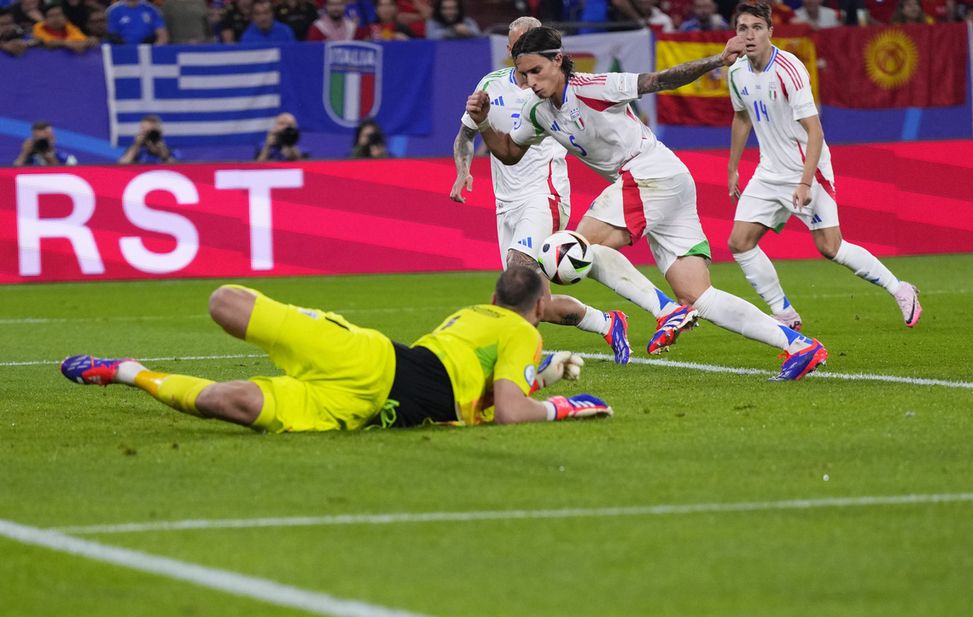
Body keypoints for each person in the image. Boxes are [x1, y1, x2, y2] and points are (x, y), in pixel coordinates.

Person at [467, 26, 829, 380]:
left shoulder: (594, 87)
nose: (530, 81)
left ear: (558, 60)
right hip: (666, 181)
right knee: (700, 296)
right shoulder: (537, 110)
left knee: (570, 249)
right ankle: (800, 346)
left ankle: (665, 311)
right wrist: (483, 123)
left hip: (649, 172)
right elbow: (510, 153)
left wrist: (716, 60)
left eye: (537, 71)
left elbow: (660, 80)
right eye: (524, 73)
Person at [59, 268, 613, 431]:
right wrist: (562, 404)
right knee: (228, 335)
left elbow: (475, 389)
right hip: (375, 370)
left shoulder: (473, 315)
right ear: (541, 307)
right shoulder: (524, 331)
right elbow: (508, 412)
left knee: (229, 399)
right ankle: (132, 374)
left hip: (368, 403)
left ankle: (126, 371)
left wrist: (538, 376)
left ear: (494, 295)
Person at [725, 2, 921, 333]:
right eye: (743, 28)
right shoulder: (736, 72)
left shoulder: (790, 69)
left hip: (806, 171)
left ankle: (900, 288)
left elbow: (815, 131)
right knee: (739, 242)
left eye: (757, 27)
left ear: (771, 31)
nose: (750, 35)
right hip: (768, 171)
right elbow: (741, 117)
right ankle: (784, 313)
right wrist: (732, 168)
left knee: (831, 247)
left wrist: (803, 183)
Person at [451, 16, 631, 365]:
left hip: (543, 196)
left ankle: (515, 364)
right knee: (539, 303)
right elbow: (466, 133)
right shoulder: (490, 85)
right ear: (509, 50)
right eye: (520, 46)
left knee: (515, 279)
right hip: (505, 205)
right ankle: (608, 322)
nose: (526, 52)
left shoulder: (553, 87)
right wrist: (463, 171)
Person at [13, 120, 77, 166]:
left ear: (53, 138)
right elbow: (15, 172)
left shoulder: (67, 159)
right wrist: (24, 153)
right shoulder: (30, 159)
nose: (42, 143)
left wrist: (52, 161)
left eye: (45, 139)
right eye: (38, 139)